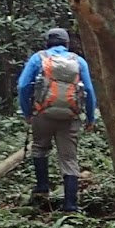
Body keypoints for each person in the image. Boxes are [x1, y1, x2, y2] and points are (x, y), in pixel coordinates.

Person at [18, 26, 96, 212]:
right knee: (69, 158)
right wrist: (90, 118)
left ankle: (42, 187)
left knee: (40, 148)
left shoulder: (38, 58)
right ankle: (70, 205)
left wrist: (28, 112)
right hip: (70, 117)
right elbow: (89, 90)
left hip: (43, 113)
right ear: (67, 43)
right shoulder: (78, 61)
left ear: (47, 43)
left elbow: (22, 86)